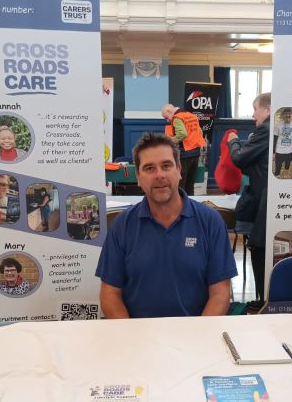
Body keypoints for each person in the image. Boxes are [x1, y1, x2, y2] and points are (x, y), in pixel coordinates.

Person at [96, 132, 236, 318]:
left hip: (195, 337)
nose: (159, 175)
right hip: (138, 338)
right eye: (149, 168)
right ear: (138, 177)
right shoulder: (122, 226)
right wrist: (130, 339)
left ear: (179, 169)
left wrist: (198, 339)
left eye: (166, 165)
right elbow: (110, 294)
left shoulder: (210, 222)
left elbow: (220, 294)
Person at [228, 92, 271, 308]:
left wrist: (233, 142)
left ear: (268, 109)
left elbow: (239, 159)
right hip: (264, 202)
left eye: (256, 108)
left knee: (260, 251)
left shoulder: (265, 129)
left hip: (264, 206)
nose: (253, 114)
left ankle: (263, 303)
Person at [162, 103, 206, 195]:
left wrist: (170, 140)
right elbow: (200, 132)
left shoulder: (177, 118)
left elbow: (182, 134)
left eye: (166, 117)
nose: (167, 120)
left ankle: (181, 204)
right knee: (191, 182)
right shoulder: (191, 116)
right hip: (196, 152)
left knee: (181, 182)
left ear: (170, 111)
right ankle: (190, 204)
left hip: (185, 154)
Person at [273, 108, 292, 177]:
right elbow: (275, 139)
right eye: (286, 113)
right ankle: (277, 175)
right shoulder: (278, 125)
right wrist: (273, 153)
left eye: (289, 114)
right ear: (283, 115)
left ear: (291, 115)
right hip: (279, 150)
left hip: (289, 150)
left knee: (287, 164)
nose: (288, 115)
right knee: (278, 166)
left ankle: (286, 174)